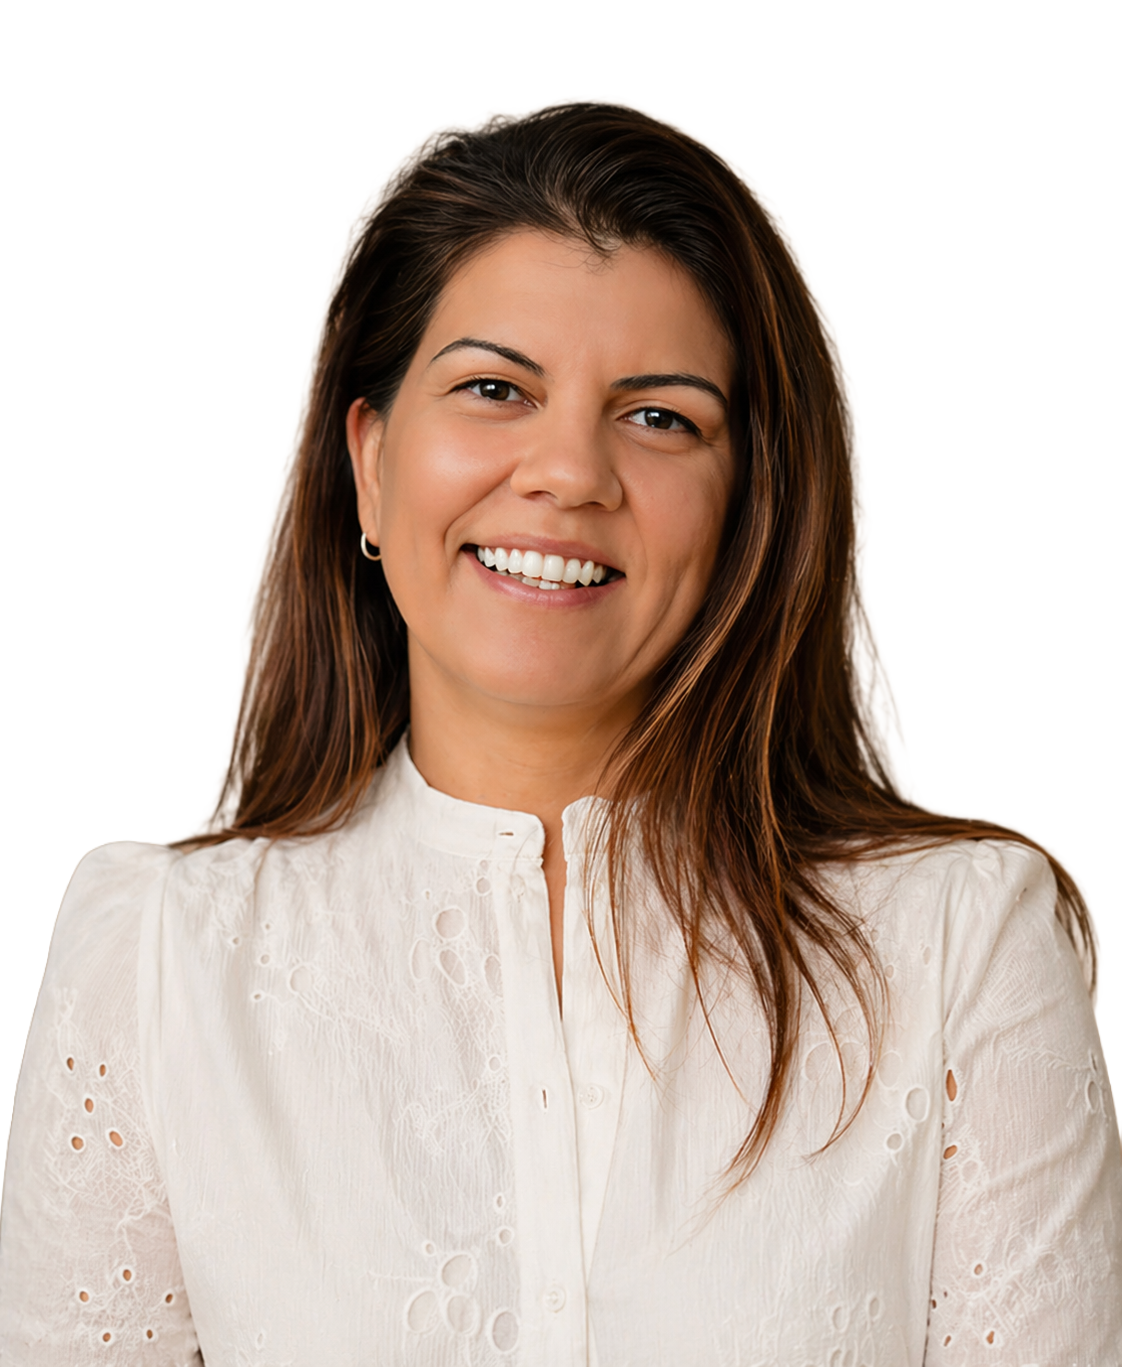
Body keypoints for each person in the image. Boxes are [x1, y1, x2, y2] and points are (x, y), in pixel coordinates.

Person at [2, 96, 1119, 1365]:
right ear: (370, 464)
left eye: (659, 416)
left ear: (745, 504)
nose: (568, 472)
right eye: (493, 389)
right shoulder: (156, 959)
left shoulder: (959, 946)